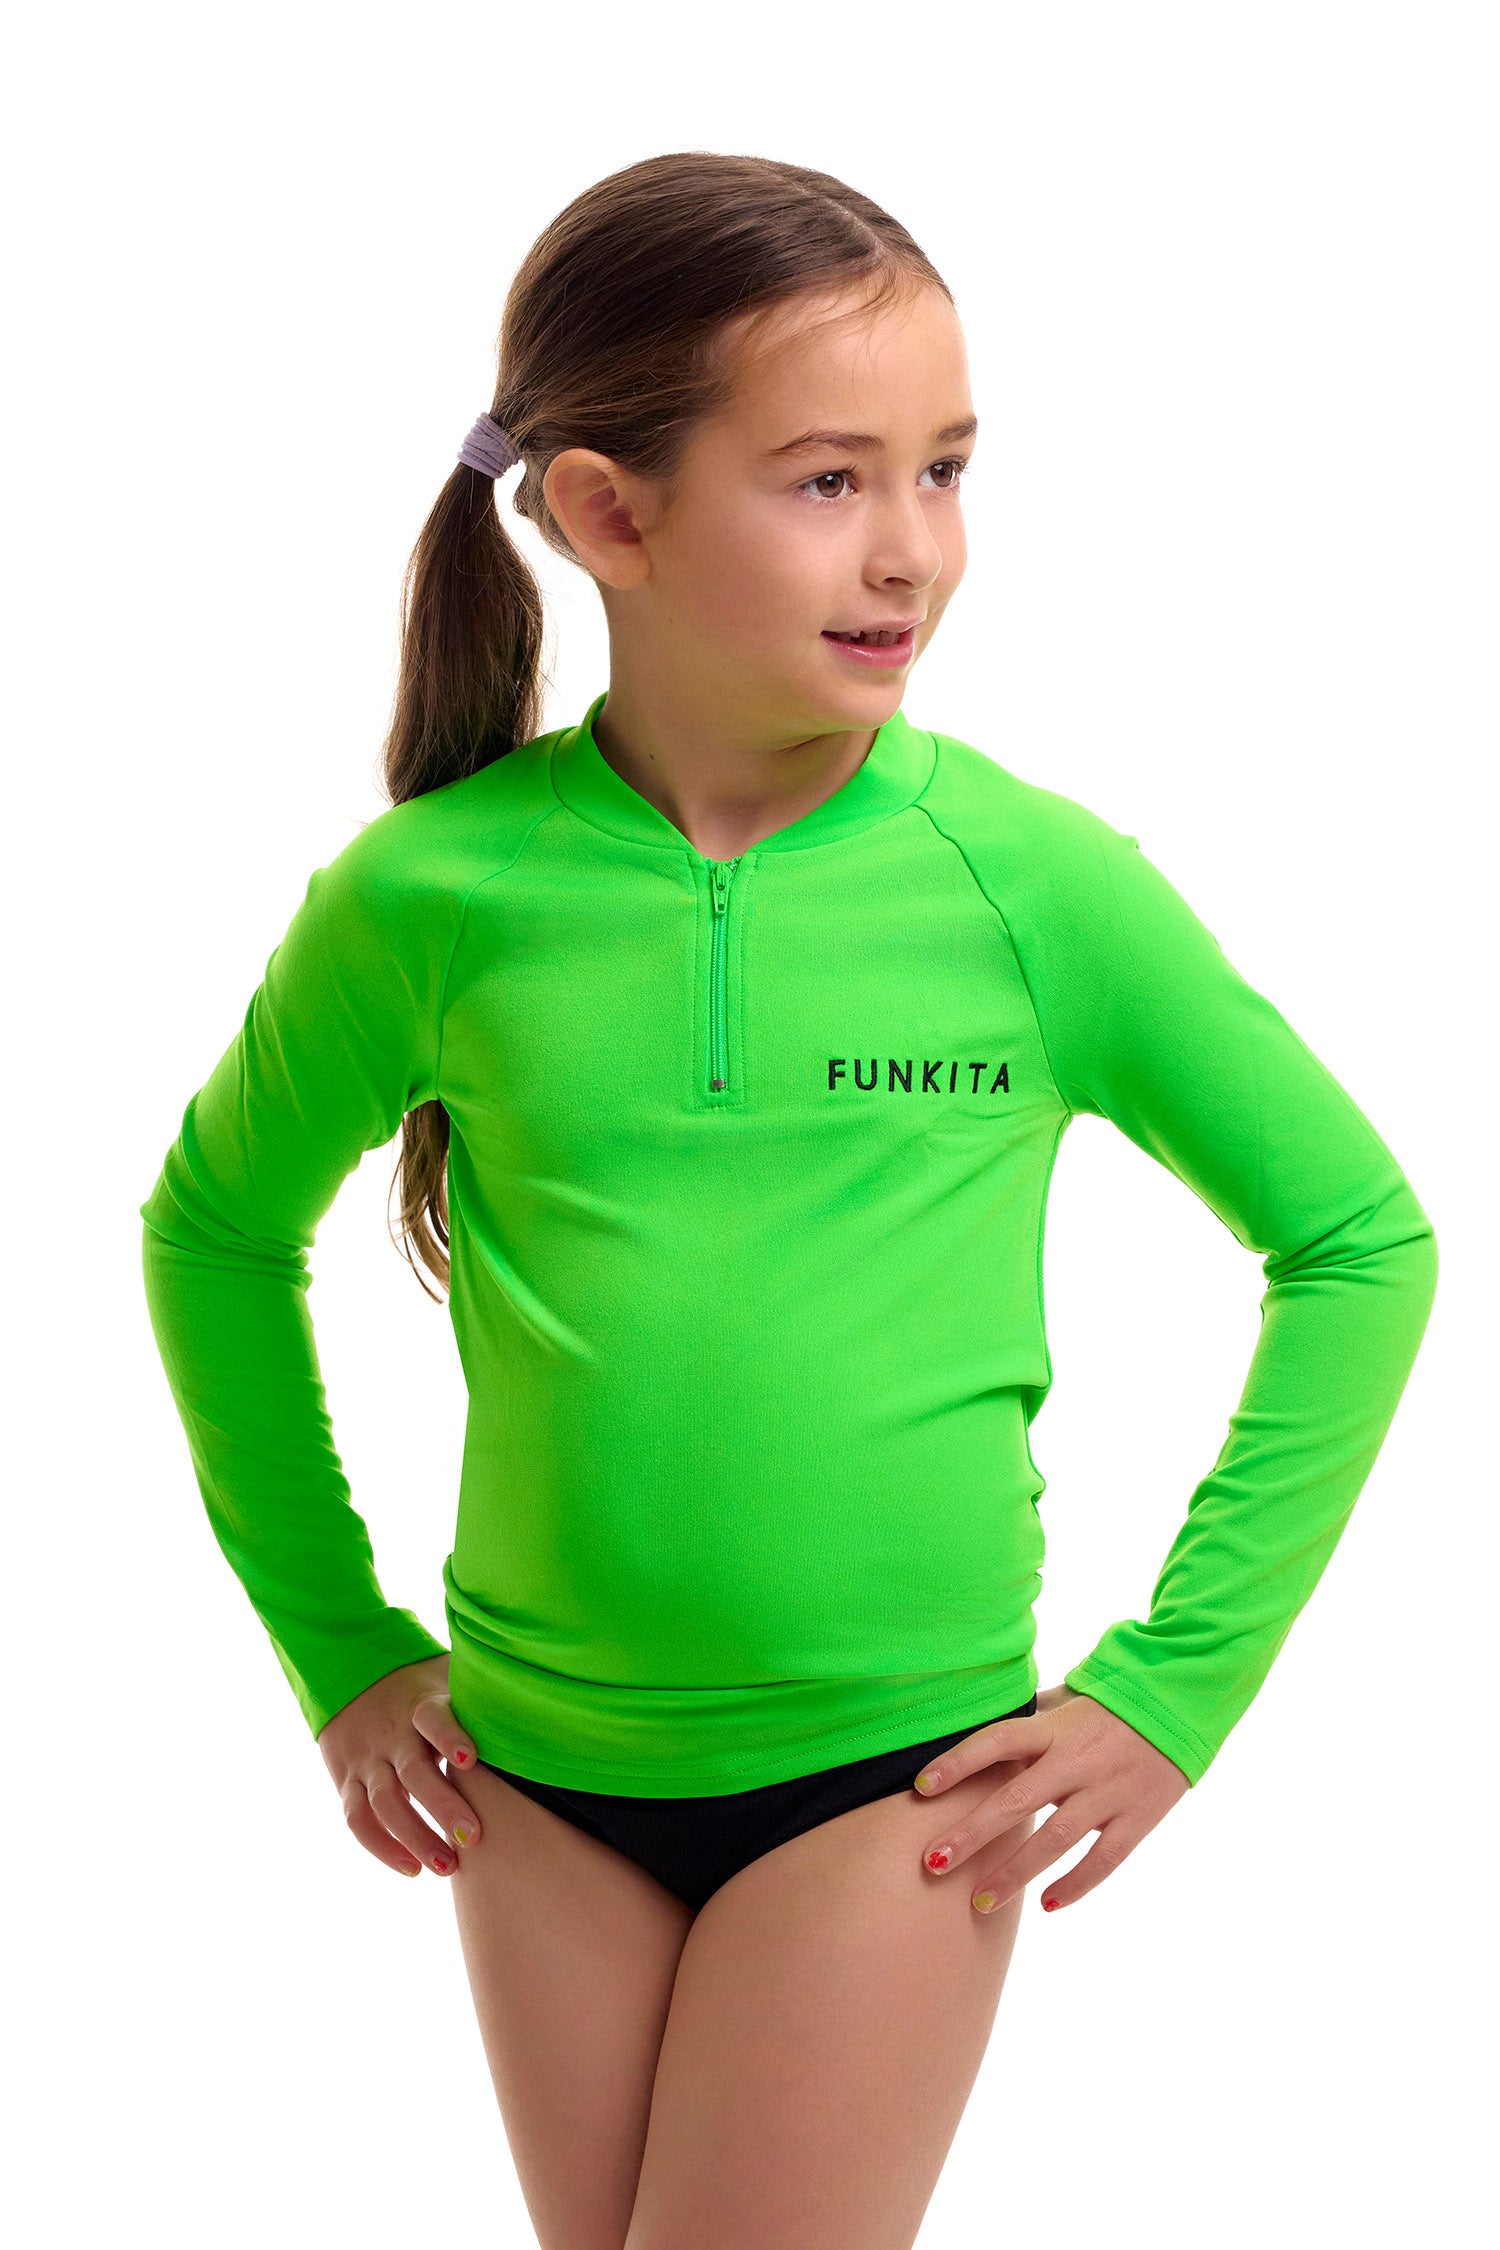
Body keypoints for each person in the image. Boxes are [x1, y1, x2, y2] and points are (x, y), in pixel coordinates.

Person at [138, 150, 1439, 2250]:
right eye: (831, 479)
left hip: (893, 1783)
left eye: (946, 470)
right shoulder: (436, 895)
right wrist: (340, 1648)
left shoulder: (1029, 888)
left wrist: (1174, 1685)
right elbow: (210, 1228)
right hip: (535, 1781)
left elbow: (1359, 1239)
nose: (912, 547)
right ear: (607, 515)